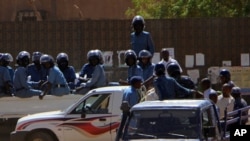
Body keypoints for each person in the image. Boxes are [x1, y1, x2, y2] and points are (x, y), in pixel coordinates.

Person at [115, 76, 143, 141]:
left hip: (124, 115)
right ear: (135, 83)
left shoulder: (127, 89)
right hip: (131, 117)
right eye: (139, 83)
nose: (141, 84)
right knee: (131, 135)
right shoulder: (132, 93)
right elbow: (134, 107)